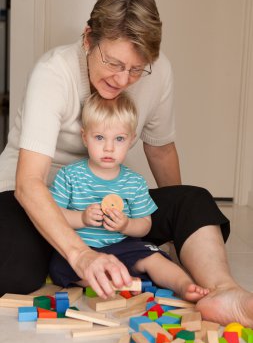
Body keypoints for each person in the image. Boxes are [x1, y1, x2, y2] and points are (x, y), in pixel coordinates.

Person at [0, 0, 252, 326]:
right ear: (89, 38)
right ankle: (73, 257)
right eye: (114, 63)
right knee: (15, 268)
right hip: (40, 195)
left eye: (136, 69)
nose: (123, 79)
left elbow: (161, 149)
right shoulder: (53, 73)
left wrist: (175, 232)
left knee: (194, 201)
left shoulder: (158, 71)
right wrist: (82, 255)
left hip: (109, 199)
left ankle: (222, 291)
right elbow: (29, 185)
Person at [49, 92, 209, 302]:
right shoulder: (69, 175)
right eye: (99, 137)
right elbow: (53, 214)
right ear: (84, 137)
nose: (109, 147)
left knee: (152, 257)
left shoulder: (134, 182)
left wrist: (125, 225)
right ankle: (113, 281)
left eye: (119, 139)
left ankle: (184, 285)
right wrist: (81, 218)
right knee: (59, 264)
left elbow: (144, 225)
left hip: (121, 246)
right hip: (82, 247)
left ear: (131, 140)